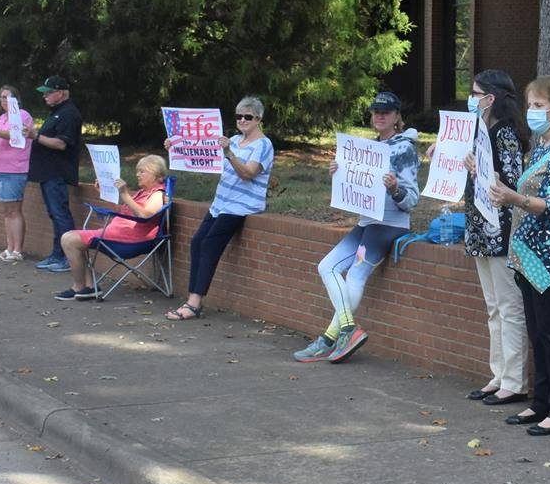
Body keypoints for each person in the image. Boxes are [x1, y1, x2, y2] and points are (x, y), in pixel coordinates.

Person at [488, 76, 550, 437]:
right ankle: (542, 401)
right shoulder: (540, 148)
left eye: (538, 105)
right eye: (529, 105)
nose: (531, 112)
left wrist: (515, 198)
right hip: (526, 256)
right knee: (537, 333)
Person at [293, 91, 419, 362]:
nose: (380, 116)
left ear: (397, 116)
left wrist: (395, 189)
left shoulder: (404, 148)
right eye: (376, 111)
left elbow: (412, 200)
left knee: (355, 275)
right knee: (326, 266)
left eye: (386, 112)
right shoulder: (369, 149)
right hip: (367, 222)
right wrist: (340, 175)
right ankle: (344, 330)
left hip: (389, 224)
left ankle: (330, 338)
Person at [164, 96, 274, 320]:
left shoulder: (264, 145)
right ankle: (191, 299)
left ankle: (194, 303)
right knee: (197, 242)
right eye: (239, 116)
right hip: (220, 203)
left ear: (259, 119)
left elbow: (248, 174)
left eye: (248, 116)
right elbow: (199, 152)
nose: (242, 120)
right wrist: (175, 145)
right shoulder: (232, 139)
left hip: (241, 206)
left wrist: (229, 154)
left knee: (209, 245)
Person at [459, 71, 529, 406]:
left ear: (492, 97)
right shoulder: (480, 132)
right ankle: (498, 374)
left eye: (476, 93)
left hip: (501, 229)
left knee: (508, 305)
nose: (471, 98)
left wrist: (482, 172)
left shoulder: (506, 134)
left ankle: (515, 380)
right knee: (492, 306)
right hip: (480, 228)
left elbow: (513, 181)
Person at [54, 155, 168, 301]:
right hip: (118, 235)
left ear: (157, 176)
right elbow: (124, 212)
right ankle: (89, 287)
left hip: (132, 241)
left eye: (142, 171)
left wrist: (125, 195)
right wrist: (104, 192)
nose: (137, 175)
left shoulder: (157, 195)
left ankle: (80, 287)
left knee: (69, 239)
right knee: (71, 237)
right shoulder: (142, 193)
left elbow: (145, 215)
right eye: (138, 171)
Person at [26, 76, 83, 271]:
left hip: (57, 172)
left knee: (60, 214)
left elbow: (61, 143)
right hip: (47, 172)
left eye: (48, 92)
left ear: (61, 92)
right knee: (54, 213)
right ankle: (57, 254)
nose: (45, 96)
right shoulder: (56, 112)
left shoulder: (69, 114)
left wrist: (36, 136)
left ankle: (69, 257)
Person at [0, 86, 33, 260]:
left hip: (13, 168)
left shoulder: (23, 115)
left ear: (16, 99)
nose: (3, 101)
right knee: (6, 211)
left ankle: (18, 250)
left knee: (14, 210)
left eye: (7, 98)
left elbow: (16, 135)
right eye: (1, 98)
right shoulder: (2, 118)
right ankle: (9, 247)